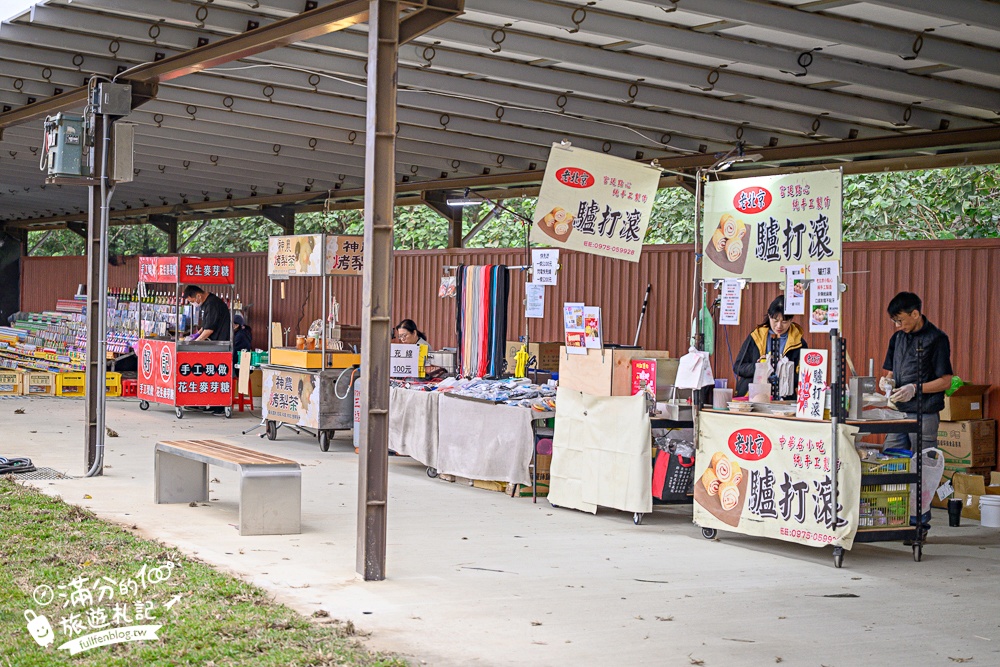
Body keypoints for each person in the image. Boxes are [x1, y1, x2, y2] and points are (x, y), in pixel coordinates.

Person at [733, 295, 807, 400]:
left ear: (791, 320)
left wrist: (784, 373)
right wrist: (758, 367)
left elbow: (804, 377)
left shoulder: (799, 343)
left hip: (784, 398)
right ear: (769, 316)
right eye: (775, 320)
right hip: (753, 397)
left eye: (784, 321)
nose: (779, 326)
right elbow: (738, 367)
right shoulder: (756, 336)